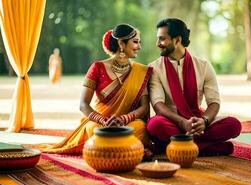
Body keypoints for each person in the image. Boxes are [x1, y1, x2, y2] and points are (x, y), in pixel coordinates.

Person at [44, 23, 153, 154]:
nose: (139, 47)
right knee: (93, 129)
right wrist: (103, 120)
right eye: (135, 42)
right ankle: (127, 148)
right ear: (121, 44)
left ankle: (106, 148)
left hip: (127, 124)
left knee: (140, 126)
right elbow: (83, 104)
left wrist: (124, 119)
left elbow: (145, 106)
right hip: (100, 123)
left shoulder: (141, 71)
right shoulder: (98, 68)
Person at [147, 18, 241, 155]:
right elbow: (158, 105)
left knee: (234, 125)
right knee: (155, 125)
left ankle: (173, 146)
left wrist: (204, 121)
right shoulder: (154, 67)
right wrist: (182, 122)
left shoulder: (203, 66)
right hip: (171, 123)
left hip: (198, 123)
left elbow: (214, 102)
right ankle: (211, 148)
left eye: (162, 39)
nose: (158, 44)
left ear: (177, 40)